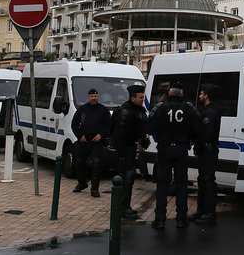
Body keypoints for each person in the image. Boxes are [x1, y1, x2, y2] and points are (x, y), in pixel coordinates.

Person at [147, 82, 195, 230]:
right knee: (181, 184)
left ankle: (160, 219)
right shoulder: (188, 108)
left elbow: (149, 127)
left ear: (168, 94)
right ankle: (181, 218)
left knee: (162, 184)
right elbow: (197, 128)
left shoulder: (161, 108)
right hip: (181, 150)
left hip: (165, 148)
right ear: (181, 95)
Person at [111, 84, 150, 219]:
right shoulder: (126, 112)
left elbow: (140, 128)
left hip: (131, 147)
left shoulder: (138, 110)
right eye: (140, 97)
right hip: (125, 148)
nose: (142, 100)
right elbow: (118, 135)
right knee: (125, 178)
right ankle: (121, 208)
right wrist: (121, 154)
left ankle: (125, 206)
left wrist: (144, 138)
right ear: (132, 98)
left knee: (130, 178)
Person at [189, 83, 221, 226]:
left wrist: (197, 147)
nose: (200, 96)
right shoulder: (208, 110)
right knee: (202, 180)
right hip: (206, 151)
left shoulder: (210, 113)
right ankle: (201, 210)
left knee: (208, 182)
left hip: (208, 151)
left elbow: (206, 134)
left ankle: (209, 212)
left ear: (206, 96)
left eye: (202, 94)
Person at [70, 88, 111, 197]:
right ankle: (82, 183)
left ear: (98, 97)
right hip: (84, 139)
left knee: (96, 163)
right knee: (80, 161)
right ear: (88, 97)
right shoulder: (82, 109)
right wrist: (79, 136)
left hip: (97, 140)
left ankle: (95, 189)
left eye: (95, 96)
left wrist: (100, 135)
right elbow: (74, 124)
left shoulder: (103, 110)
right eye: (92, 96)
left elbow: (108, 125)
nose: (94, 98)